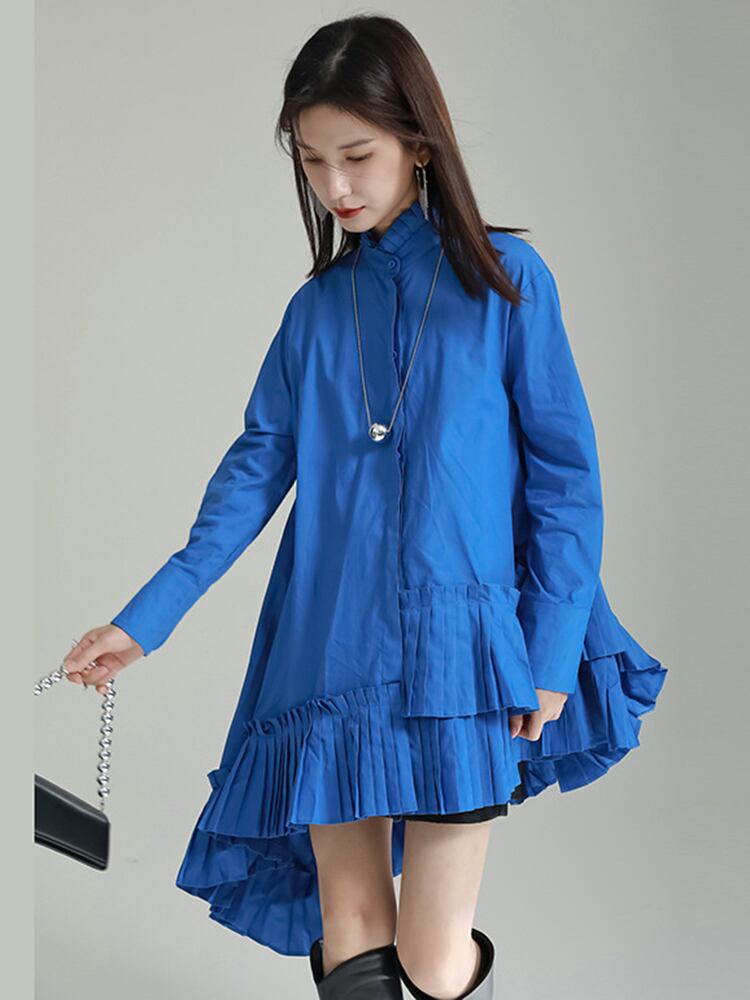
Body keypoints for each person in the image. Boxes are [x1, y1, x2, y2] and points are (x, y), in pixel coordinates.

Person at [61, 15, 668, 1000]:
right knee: (352, 938)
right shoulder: (313, 313)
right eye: (312, 162)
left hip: (463, 651)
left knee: (432, 956)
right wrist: (144, 621)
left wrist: (553, 652)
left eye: (357, 155)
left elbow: (567, 480)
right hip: (330, 652)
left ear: (417, 144)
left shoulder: (506, 283)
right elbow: (250, 477)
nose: (336, 186)